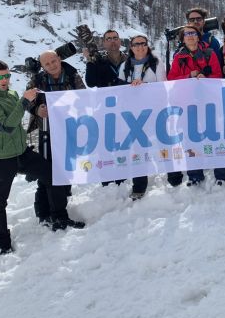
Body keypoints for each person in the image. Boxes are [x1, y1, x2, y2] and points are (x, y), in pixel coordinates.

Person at [0, 61, 84, 254]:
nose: (4, 80)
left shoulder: (11, 94)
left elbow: (22, 114)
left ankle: (59, 218)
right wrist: (24, 101)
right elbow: (8, 126)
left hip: (22, 152)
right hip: (2, 158)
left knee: (54, 176)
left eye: (7, 75)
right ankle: (3, 244)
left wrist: (36, 107)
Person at [167, 26, 225, 187]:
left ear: (198, 36)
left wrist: (205, 77)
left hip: (209, 102)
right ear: (183, 39)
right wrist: (189, 76)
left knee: (215, 138)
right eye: (187, 34)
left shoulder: (209, 53)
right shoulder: (178, 57)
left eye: (193, 33)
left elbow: (218, 75)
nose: (190, 36)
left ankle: (222, 175)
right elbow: (172, 79)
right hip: (187, 104)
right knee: (190, 140)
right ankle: (195, 175)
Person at [28, 49, 86, 205]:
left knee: (67, 163)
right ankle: (44, 207)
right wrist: (37, 110)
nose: (51, 65)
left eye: (53, 61)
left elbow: (84, 97)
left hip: (69, 127)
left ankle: (63, 197)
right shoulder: (37, 80)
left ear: (59, 59)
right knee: (47, 167)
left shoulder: (72, 76)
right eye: (47, 64)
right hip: (46, 129)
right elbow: (26, 101)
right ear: (42, 66)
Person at [118, 34, 167, 199]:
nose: (140, 46)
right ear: (131, 47)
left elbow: (162, 87)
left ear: (147, 45)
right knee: (138, 149)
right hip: (133, 115)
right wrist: (131, 87)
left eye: (143, 43)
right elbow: (119, 90)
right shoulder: (124, 66)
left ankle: (174, 177)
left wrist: (144, 86)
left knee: (164, 143)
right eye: (136, 44)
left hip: (153, 112)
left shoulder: (156, 63)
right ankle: (139, 186)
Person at [83, 30, 127, 185]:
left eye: (115, 38)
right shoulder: (98, 61)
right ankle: (107, 180)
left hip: (126, 108)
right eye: (109, 39)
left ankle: (122, 178)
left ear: (120, 41)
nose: (113, 41)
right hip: (105, 109)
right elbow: (91, 82)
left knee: (124, 143)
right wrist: (89, 61)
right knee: (105, 144)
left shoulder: (129, 60)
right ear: (104, 43)